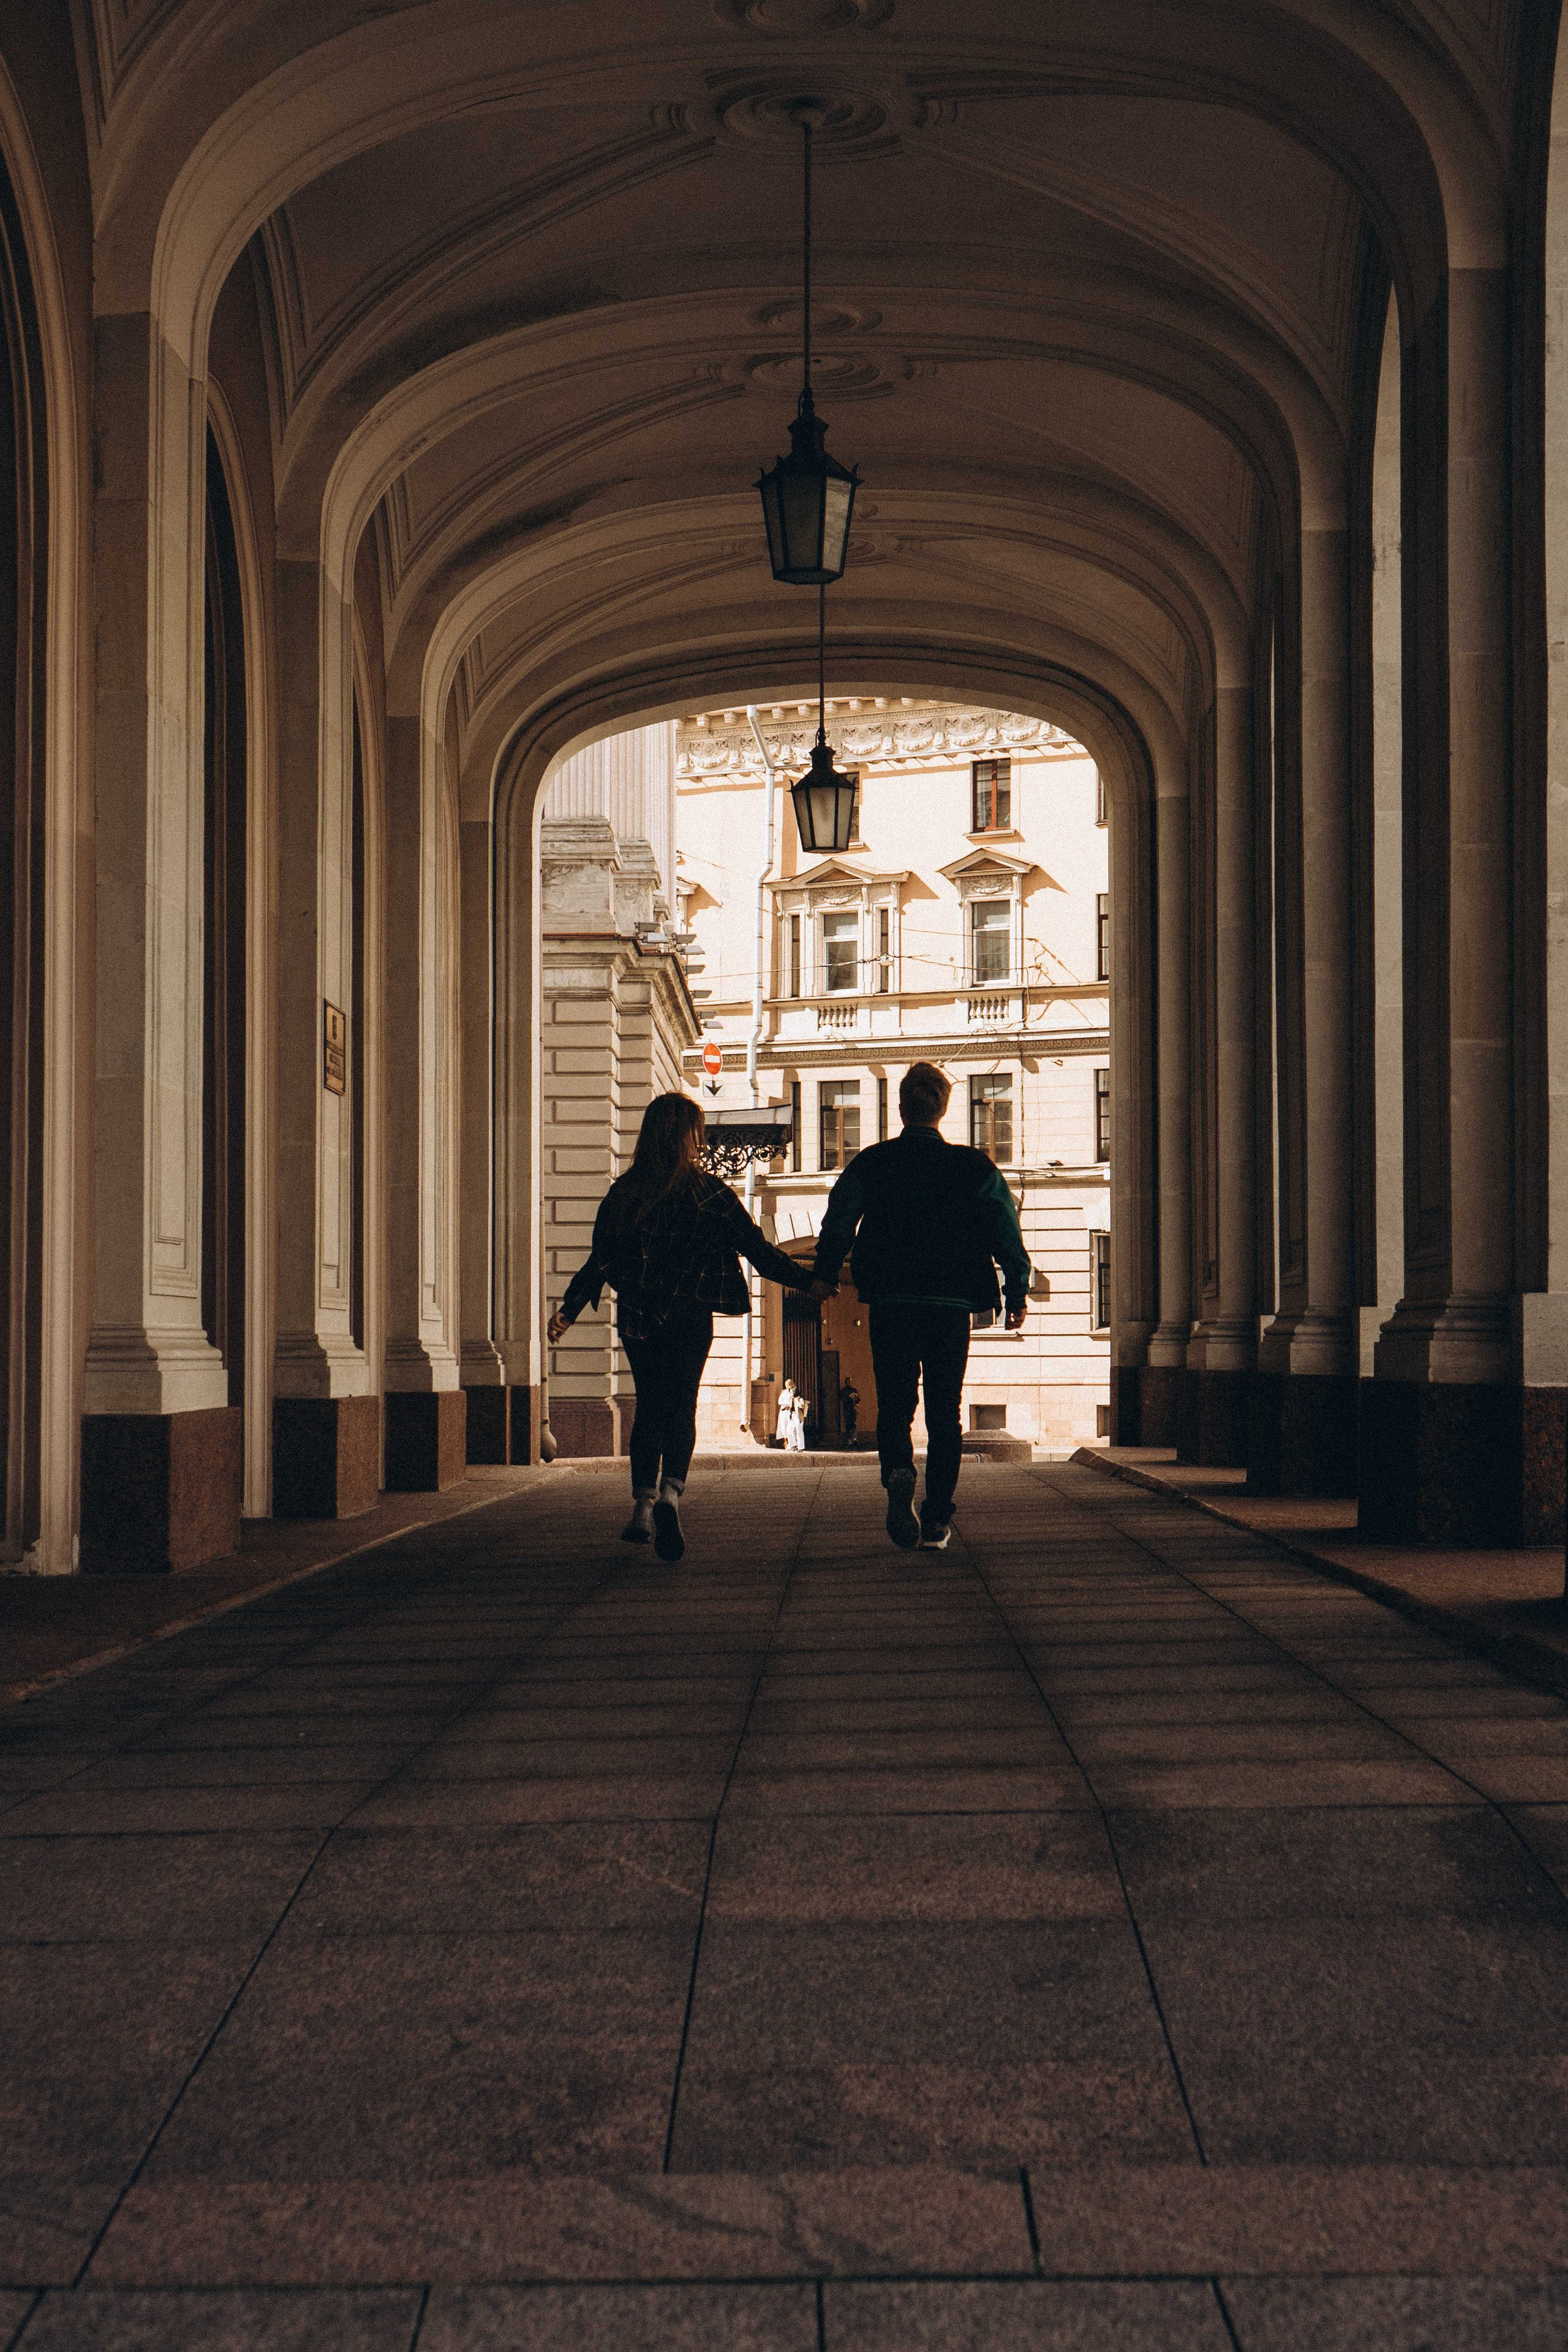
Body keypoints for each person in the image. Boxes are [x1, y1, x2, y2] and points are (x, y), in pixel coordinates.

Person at [549, 1092, 808, 1561]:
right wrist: (810, 1282)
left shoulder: (623, 1195)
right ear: (687, 1135)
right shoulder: (712, 1194)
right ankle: (671, 1494)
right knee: (681, 1405)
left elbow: (600, 1260)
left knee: (649, 1407)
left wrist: (568, 1310)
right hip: (690, 1316)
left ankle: (642, 1508)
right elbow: (759, 1251)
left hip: (639, 1317)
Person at [808, 1061, 1031, 1551]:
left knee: (894, 1405)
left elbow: (839, 1220)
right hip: (951, 1303)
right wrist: (1017, 1290)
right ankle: (935, 1520)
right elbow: (1004, 1231)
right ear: (945, 1109)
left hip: (891, 1301)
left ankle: (899, 1473)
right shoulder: (976, 1168)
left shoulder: (872, 1162)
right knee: (945, 1413)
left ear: (902, 1107)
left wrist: (825, 1274)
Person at [776, 1378, 799, 1449]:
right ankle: (786, 1443)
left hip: (790, 1412)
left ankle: (793, 1444)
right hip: (783, 1411)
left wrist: (790, 1404)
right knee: (783, 1427)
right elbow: (780, 1402)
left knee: (791, 1428)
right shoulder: (783, 1392)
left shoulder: (794, 1392)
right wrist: (788, 1404)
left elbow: (795, 1401)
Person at [840, 1378, 860, 1447]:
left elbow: (858, 1400)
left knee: (851, 1424)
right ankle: (852, 1439)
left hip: (850, 1409)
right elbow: (842, 1399)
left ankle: (852, 1439)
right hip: (849, 1409)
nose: (848, 1383)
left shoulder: (849, 1390)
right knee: (850, 1424)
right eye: (847, 1382)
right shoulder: (846, 1391)